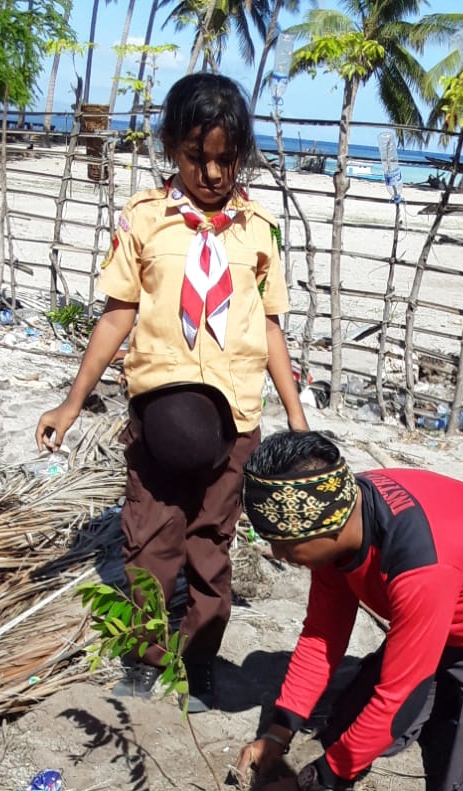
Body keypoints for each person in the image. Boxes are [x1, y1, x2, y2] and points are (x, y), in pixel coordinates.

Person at [35, 74, 309, 711]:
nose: (211, 172)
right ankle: (143, 653)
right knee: (150, 540)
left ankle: (201, 658)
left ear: (241, 153)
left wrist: (295, 418)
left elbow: (268, 326)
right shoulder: (143, 220)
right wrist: (73, 403)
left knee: (213, 545)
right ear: (171, 149)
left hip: (236, 419)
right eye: (196, 156)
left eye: (225, 157)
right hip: (159, 415)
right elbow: (116, 315)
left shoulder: (259, 231)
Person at [235, 431, 463, 791]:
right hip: (440, 619)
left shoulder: (419, 562)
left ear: (328, 528)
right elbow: (322, 635)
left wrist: (311, 785)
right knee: (343, 733)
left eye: (285, 546)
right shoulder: (341, 513)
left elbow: (396, 701)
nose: (280, 556)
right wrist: (277, 732)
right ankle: (449, 699)